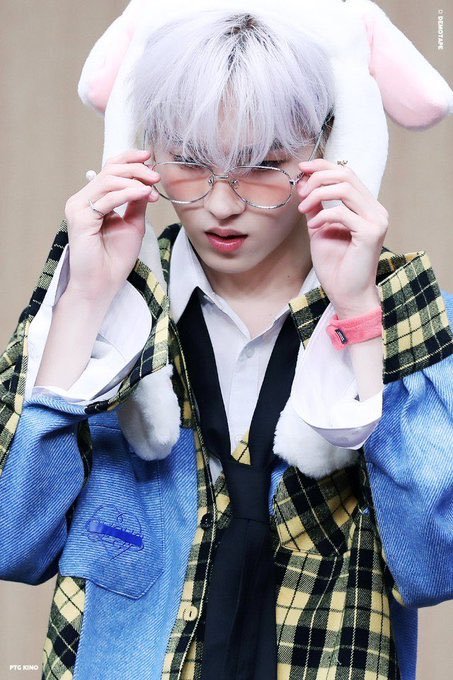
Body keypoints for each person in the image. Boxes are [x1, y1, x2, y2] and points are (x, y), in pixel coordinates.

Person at [1, 3, 452, 679]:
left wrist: (359, 311)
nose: (220, 203)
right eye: (188, 160)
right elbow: (12, 544)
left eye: (263, 163)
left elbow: (435, 566)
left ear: (329, 151)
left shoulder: (403, 314)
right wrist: (88, 300)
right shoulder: (96, 304)